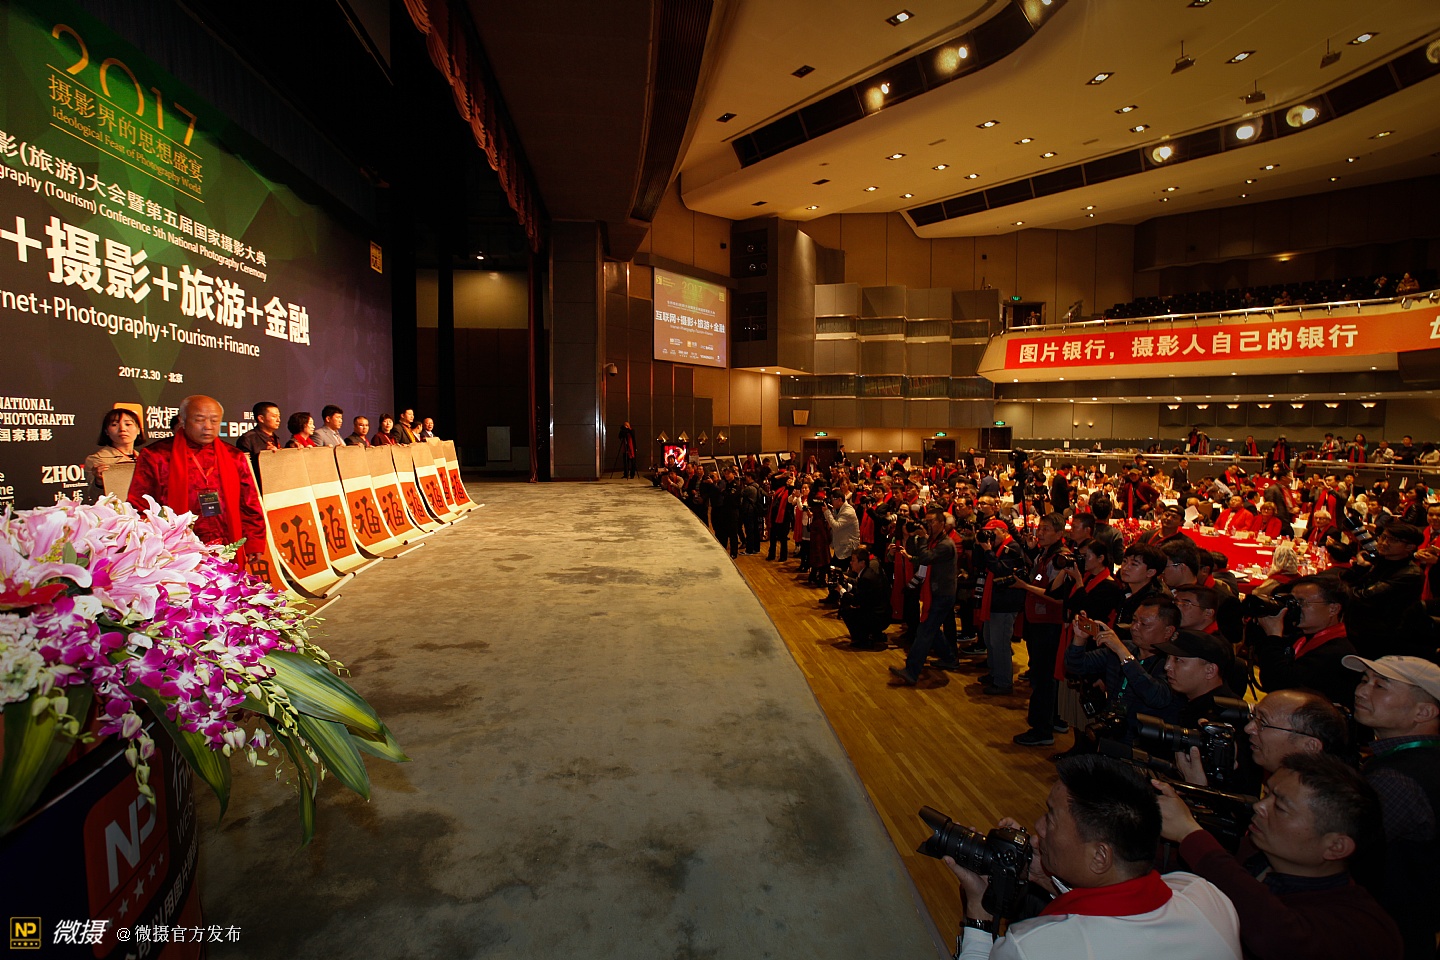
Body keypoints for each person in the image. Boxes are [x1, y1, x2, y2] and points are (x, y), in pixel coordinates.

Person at [948, 755, 1242, 960]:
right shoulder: (1206, 897)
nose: (1038, 826)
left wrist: (979, 914)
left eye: (1051, 817)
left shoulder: (1033, 948)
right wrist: (1046, 878)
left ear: (1100, 856)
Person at [1154, 753, 1402, 960]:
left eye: (1280, 807)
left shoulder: (1365, 929)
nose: (1259, 806)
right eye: (1267, 795)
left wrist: (1190, 835)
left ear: (1336, 847)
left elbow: (1276, 934)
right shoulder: (1254, 854)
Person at [1344, 654, 1440, 960]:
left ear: (1424, 711)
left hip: (1382, 936)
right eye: (1364, 680)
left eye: (1380, 686)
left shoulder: (1397, 780)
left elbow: (1339, 847)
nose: (1361, 691)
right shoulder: (1415, 760)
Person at [126, 395, 265, 565]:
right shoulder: (156, 456)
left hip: (226, 541)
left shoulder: (233, 456)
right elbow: (140, 505)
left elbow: (249, 503)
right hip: (175, 549)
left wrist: (254, 541)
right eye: (199, 420)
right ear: (182, 421)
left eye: (214, 420)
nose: (208, 426)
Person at [889, 505, 957, 686]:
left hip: (942, 593)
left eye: (931, 522)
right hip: (936, 591)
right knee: (931, 629)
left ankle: (911, 671)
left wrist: (923, 538)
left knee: (925, 631)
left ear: (942, 523)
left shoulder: (945, 544)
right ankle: (950, 658)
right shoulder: (935, 541)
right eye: (926, 522)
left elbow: (926, 558)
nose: (928, 525)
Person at [1341, 523, 1425, 658]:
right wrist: (1360, 567)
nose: (1384, 543)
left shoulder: (1410, 574)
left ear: (1409, 547)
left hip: (1381, 637)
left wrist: (1343, 590)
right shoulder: (1379, 560)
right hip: (1357, 628)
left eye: (1393, 540)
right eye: (1383, 537)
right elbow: (1345, 579)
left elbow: (1363, 597)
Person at [1155, 629, 1239, 726]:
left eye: (1177, 660)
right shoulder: (1189, 702)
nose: (1167, 666)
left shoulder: (1224, 718)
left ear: (1210, 670)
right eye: (1168, 658)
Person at [838, 546, 890, 650]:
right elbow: (862, 592)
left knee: (846, 610)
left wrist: (840, 590)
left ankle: (862, 640)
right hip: (882, 613)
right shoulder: (867, 573)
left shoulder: (866, 577)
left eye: (853, 560)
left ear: (862, 563)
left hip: (878, 617)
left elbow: (856, 601)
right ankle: (874, 635)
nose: (851, 563)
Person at [85, 407, 145, 492]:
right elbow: (92, 494)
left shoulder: (145, 458)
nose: (122, 429)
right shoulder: (97, 459)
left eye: (128, 424)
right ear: (106, 431)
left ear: (138, 430)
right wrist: (98, 481)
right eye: (114, 425)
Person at [236, 401, 282, 479]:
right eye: (274, 416)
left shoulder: (275, 437)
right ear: (261, 418)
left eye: (279, 416)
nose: (278, 420)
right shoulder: (247, 439)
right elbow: (244, 469)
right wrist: (265, 456)